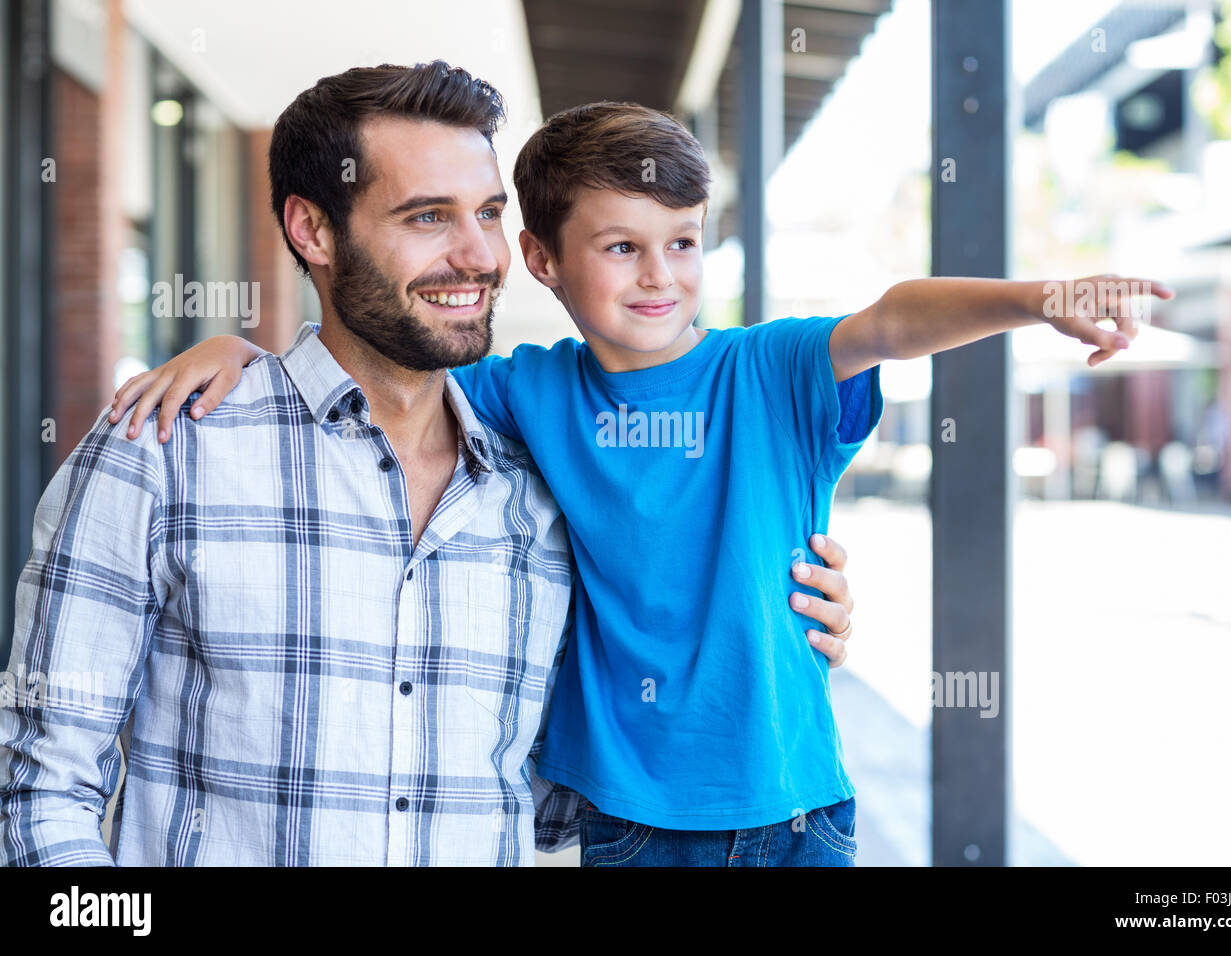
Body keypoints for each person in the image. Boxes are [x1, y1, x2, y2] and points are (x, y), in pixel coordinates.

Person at [107, 96, 1172, 866]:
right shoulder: (519, 388)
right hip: (627, 819)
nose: (660, 275)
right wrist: (245, 354)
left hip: (798, 806)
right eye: (620, 246)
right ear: (540, 258)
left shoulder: (771, 372)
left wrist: (1041, 297)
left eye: (683, 243)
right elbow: (376, 358)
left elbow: (895, 316)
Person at [0, 63, 856, 867]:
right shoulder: (165, 451)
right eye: (426, 217)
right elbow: (39, 791)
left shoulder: (539, 486)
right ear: (312, 230)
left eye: (487, 213)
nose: (478, 256)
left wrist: (770, 624)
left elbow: (558, 793)